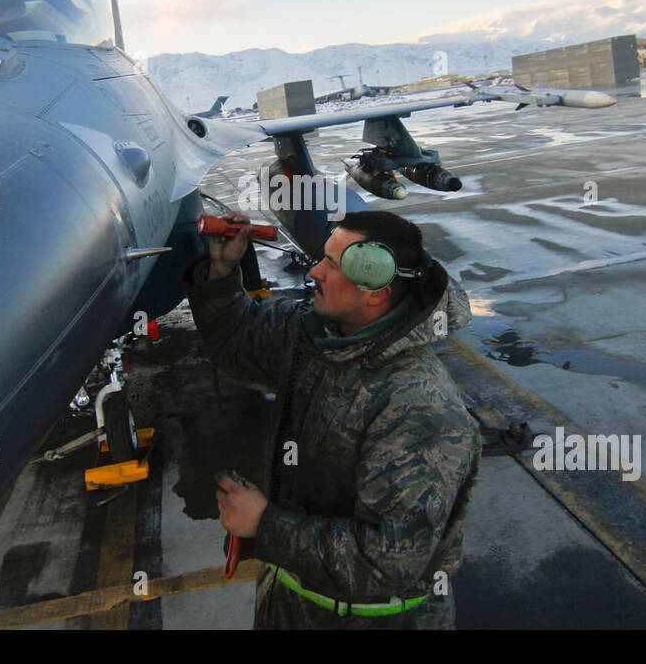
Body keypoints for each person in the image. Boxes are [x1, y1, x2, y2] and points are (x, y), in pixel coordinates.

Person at [182, 209, 480, 628]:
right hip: (293, 602)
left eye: (331, 265)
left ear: (374, 291)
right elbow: (239, 340)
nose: (314, 273)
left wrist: (264, 524)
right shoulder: (316, 336)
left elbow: (386, 562)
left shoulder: (418, 406)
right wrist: (221, 271)